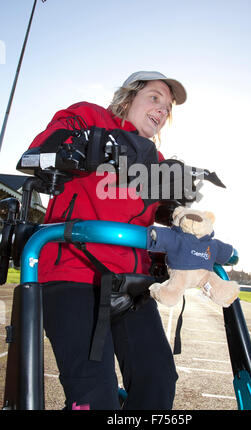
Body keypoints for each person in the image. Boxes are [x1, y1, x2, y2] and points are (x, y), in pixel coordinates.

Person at [26, 71, 187, 410]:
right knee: (95, 394)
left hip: (131, 284)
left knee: (158, 381)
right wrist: (103, 144)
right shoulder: (88, 116)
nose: (162, 109)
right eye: (155, 98)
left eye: (167, 107)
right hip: (74, 274)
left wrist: (180, 211)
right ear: (128, 98)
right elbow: (40, 153)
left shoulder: (154, 160)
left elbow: (162, 210)